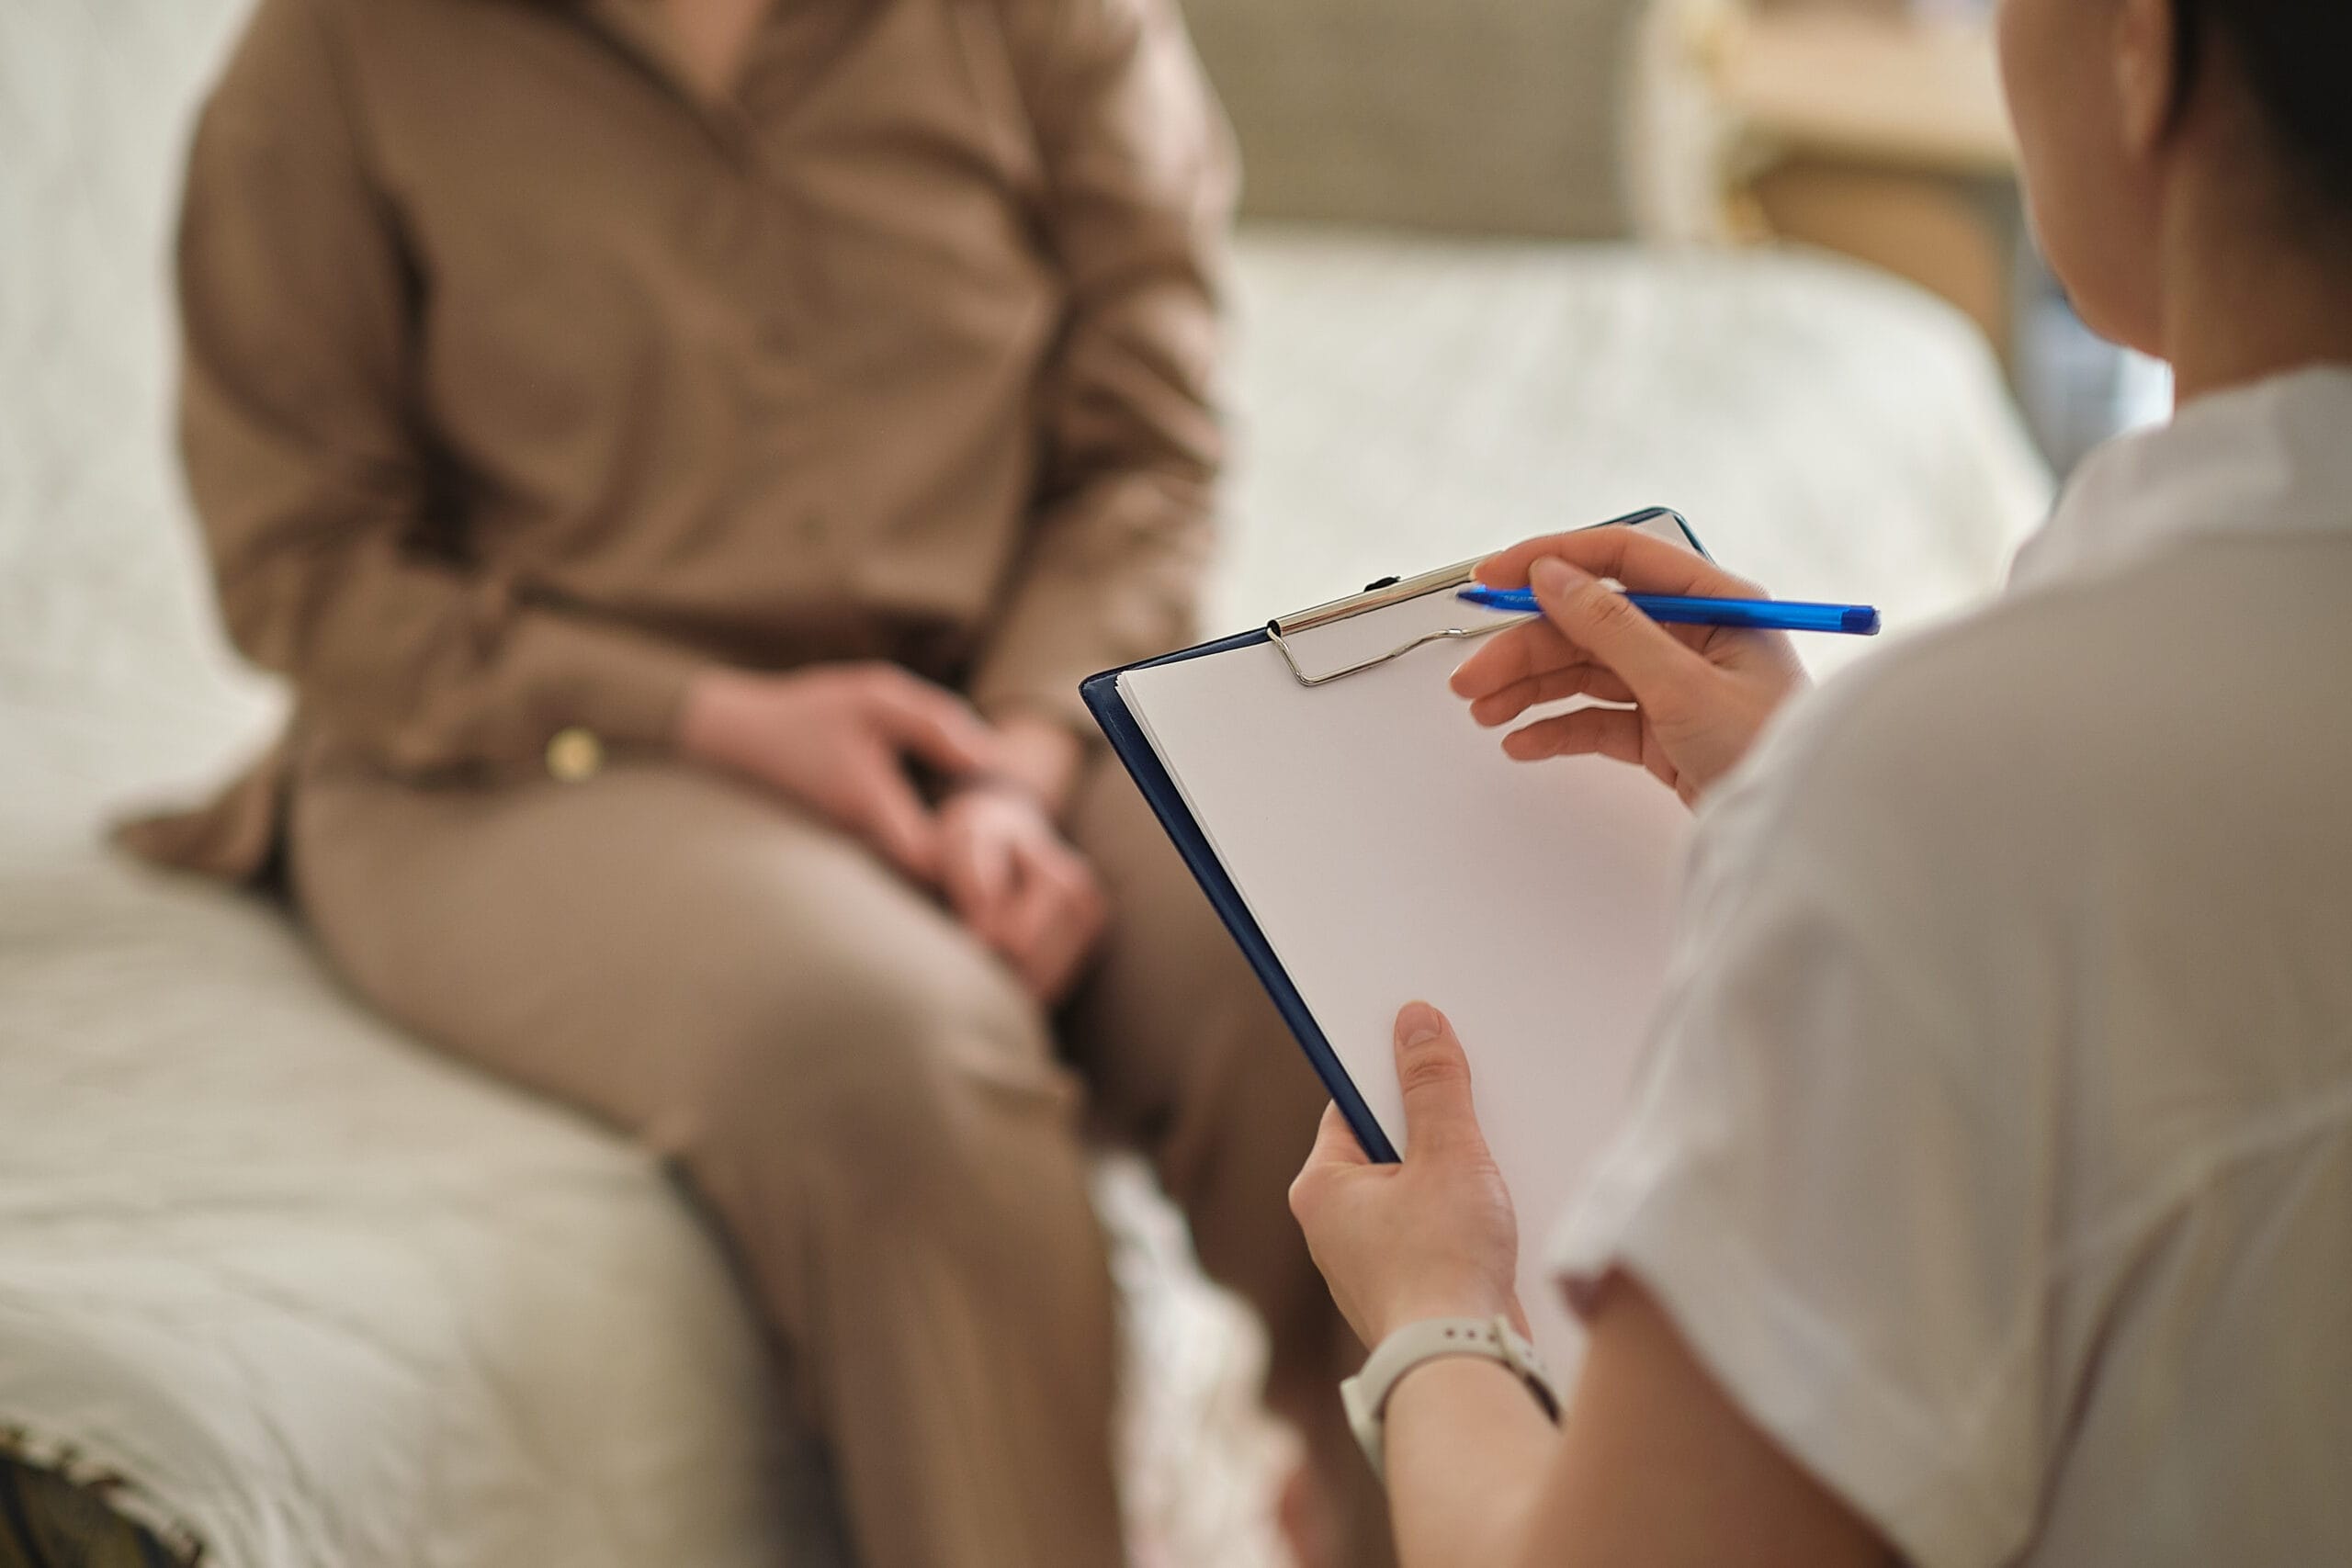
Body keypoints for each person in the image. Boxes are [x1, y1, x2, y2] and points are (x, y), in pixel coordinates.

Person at [123, 0, 1379, 1562]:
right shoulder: (333, 61)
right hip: (530, 750)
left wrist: (1018, 758)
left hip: (1005, 703)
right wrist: (719, 716)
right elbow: (305, 571)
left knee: (1339, 990)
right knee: (903, 1066)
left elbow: (1145, 453)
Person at [1288, 0, 2352, 1562]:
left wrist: (1438, 1319)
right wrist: (1831, 800)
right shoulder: (1998, 792)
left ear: (2141, 45)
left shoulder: (1963, 795)